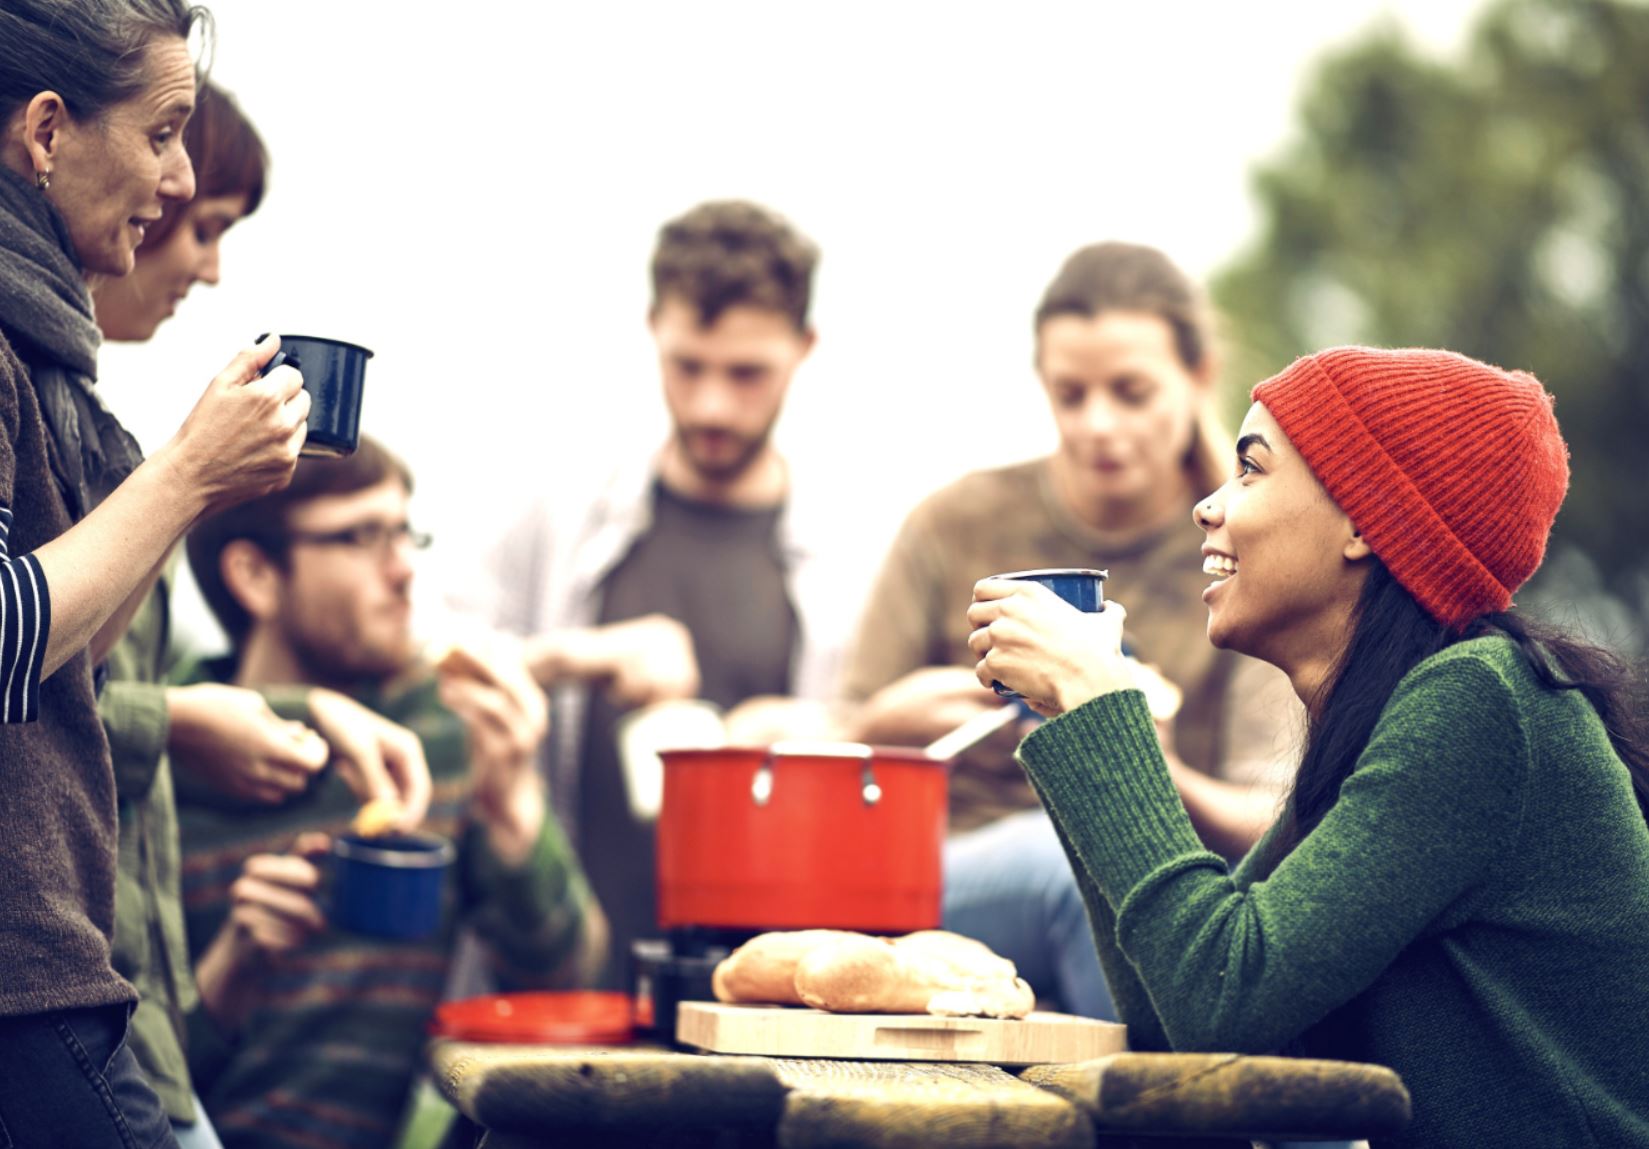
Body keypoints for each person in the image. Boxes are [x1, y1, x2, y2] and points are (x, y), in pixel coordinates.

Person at [971, 346, 1649, 1146]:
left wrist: (1101, 705)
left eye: (1250, 470)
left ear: (1365, 520)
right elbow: (1179, 1026)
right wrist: (1068, 718)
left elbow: (1225, 992)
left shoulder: (1482, 700)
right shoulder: (1386, 723)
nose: (1208, 506)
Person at [91, 82, 432, 1149]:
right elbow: (35, 689)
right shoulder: (100, 456)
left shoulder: (92, 428)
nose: (204, 261)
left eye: (404, 538)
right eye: (198, 224)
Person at [0, 2, 312, 1143]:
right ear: (45, 134)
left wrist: (200, 483)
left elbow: (61, 660)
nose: (178, 181)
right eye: (164, 132)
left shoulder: (44, 361)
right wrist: (180, 479)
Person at [841, 242, 1296, 1017]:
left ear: (1198, 377)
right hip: (950, 857)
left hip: (1165, 858)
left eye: (1130, 392)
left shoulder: (1246, 547)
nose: (1096, 424)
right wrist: (892, 719)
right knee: (1070, 865)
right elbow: (841, 741)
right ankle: (1157, 1113)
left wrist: (1124, 757)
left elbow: (1276, 815)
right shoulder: (956, 522)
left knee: (1138, 875)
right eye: (1069, 394)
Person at [464, 200, 862, 984]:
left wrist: (825, 734)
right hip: (558, 984)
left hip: (762, 996)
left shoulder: (851, 558)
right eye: (688, 366)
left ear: (804, 349)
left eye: (746, 373)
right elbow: (428, 662)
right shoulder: (556, 510)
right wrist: (572, 655)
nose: (712, 403)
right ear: (653, 329)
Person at [179, 438, 605, 1149]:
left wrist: (515, 812)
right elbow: (88, 1081)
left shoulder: (442, 729)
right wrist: (229, 969)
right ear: (255, 574)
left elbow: (562, 978)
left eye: (405, 533)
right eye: (359, 537)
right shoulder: (161, 746)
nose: (405, 570)